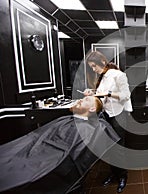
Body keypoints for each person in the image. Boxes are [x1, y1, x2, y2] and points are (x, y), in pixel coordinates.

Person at [0, 96, 120, 193]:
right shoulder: (66, 120)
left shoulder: (87, 130)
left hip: (41, 163)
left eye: (86, 99)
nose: (80, 99)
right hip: (28, 152)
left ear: (93, 109)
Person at [84, 51, 132, 193]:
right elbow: (101, 95)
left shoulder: (119, 75)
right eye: (91, 67)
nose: (93, 69)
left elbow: (125, 95)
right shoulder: (102, 77)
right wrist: (92, 92)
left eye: (94, 66)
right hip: (107, 115)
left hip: (119, 115)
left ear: (102, 62)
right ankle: (114, 173)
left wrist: (107, 94)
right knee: (109, 147)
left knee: (118, 147)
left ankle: (122, 176)